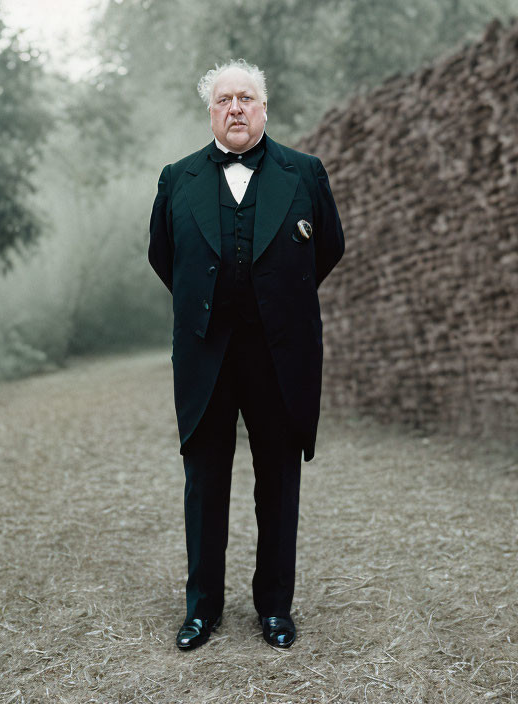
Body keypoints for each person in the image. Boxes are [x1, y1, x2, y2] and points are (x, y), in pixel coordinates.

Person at [148, 58, 344, 651]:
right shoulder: (176, 178)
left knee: (278, 482)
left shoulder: (304, 173)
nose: (236, 108)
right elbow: (165, 258)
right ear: (211, 112)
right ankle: (202, 608)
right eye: (224, 99)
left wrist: (276, 304)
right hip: (207, 355)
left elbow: (328, 249)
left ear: (264, 108)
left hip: (280, 355)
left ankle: (275, 607)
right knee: (204, 482)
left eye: (246, 98)